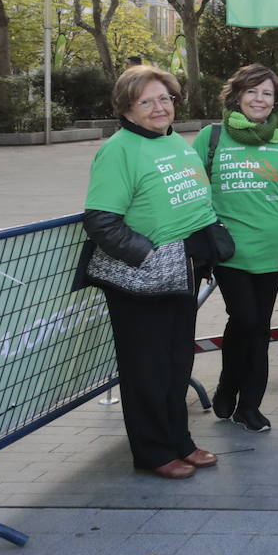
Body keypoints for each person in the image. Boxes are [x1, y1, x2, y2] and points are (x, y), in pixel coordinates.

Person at [81, 65, 220, 479]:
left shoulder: (175, 141)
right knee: (146, 367)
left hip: (181, 270)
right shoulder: (119, 150)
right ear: (126, 108)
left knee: (176, 362)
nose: (159, 107)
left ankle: (179, 440)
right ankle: (153, 452)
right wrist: (150, 257)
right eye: (147, 101)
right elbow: (102, 221)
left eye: (165, 98)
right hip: (141, 280)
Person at [195, 64, 278, 433]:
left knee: (254, 326)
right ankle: (230, 388)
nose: (259, 100)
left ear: (276, 101)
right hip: (228, 250)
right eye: (252, 92)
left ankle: (247, 404)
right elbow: (194, 194)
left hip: (272, 250)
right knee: (246, 320)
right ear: (237, 95)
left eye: (267, 94)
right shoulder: (211, 138)